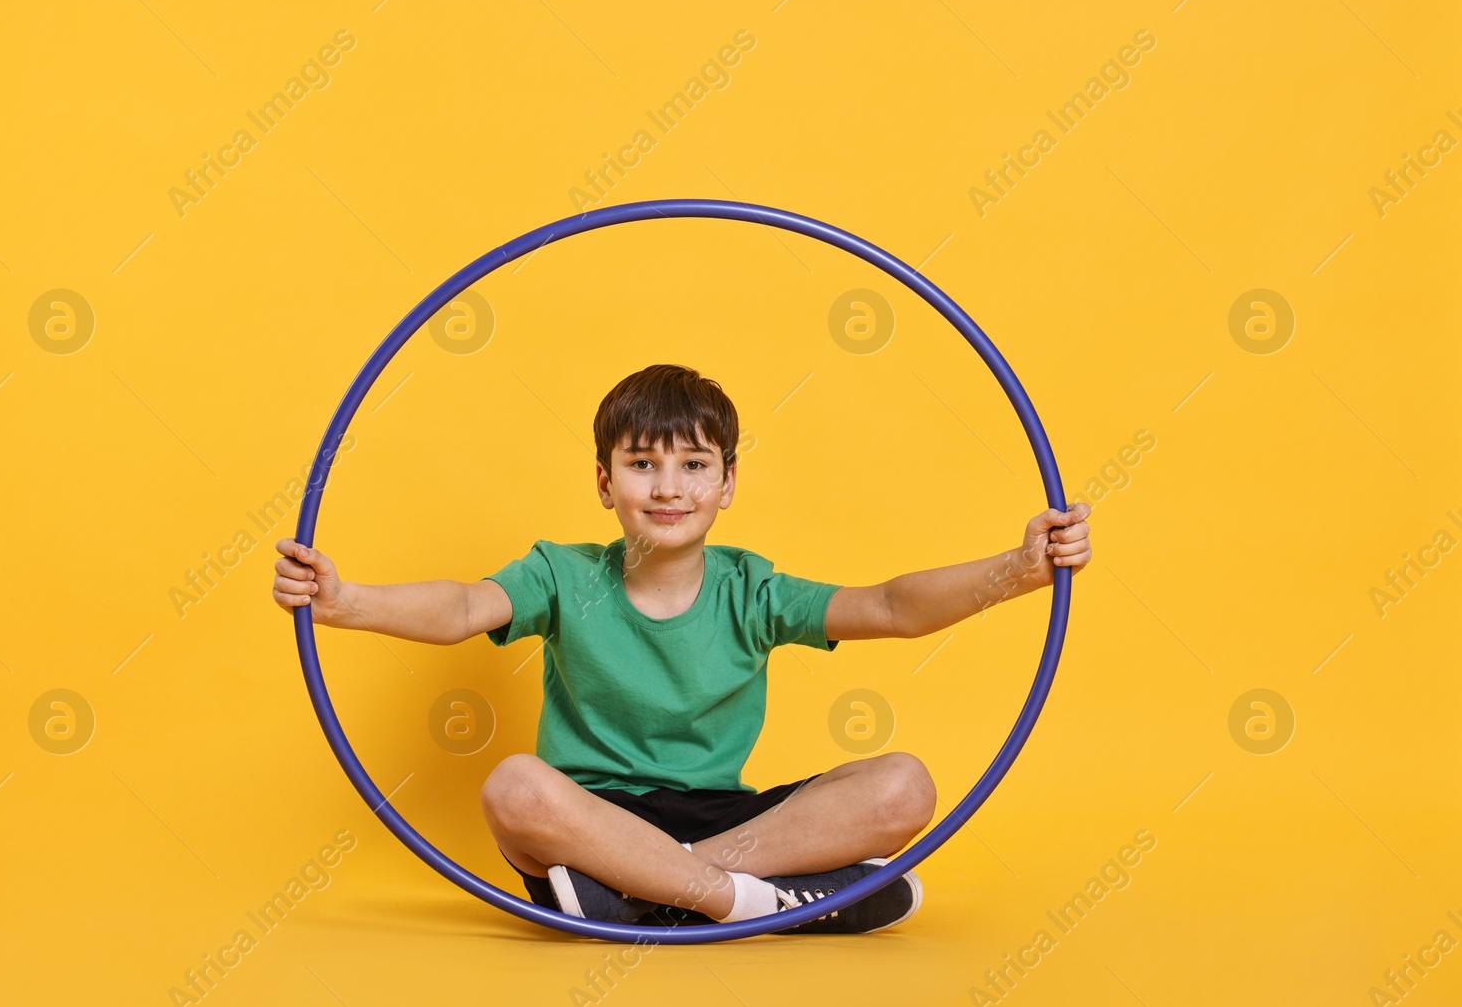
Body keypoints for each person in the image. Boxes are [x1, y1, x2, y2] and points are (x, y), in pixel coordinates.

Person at [273, 364, 1091, 934]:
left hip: (726, 820)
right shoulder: (560, 573)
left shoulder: (754, 590)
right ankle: (754, 902)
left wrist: (1020, 569)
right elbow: (459, 605)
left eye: (694, 465)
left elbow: (890, 605)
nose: (668, 488)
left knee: (903, 785)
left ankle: (659, 892)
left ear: (727, 483)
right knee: (516, 787)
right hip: (588, 822)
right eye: (642, 465)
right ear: (605, 482)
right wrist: (345, 601)